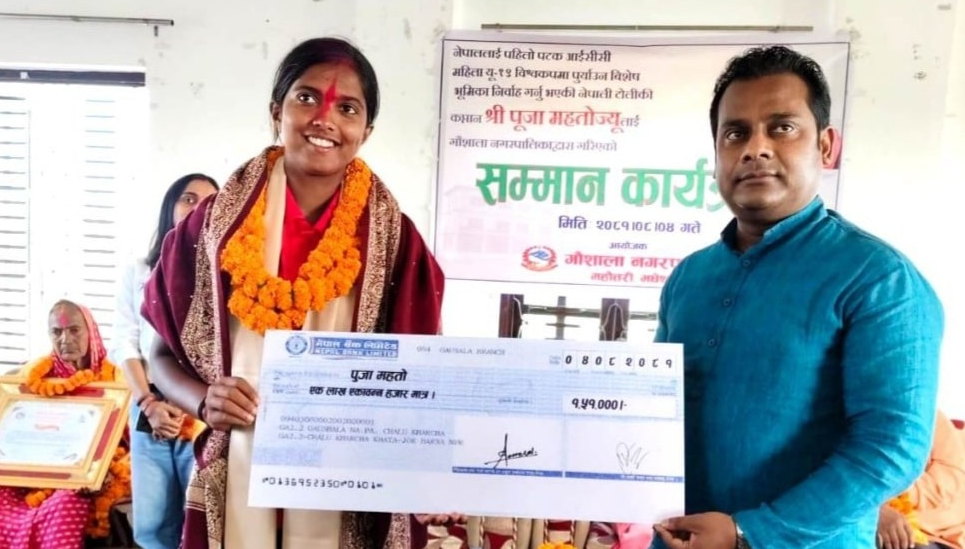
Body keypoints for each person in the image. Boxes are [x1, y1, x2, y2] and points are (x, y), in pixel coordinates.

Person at [141, 37, 451, 549]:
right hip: (236, 478)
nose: (324, 119)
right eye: (306, 98)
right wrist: (204, 401)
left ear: (366, 131)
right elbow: (159, 357)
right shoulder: (211, 229)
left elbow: (425, 374)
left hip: (348, 490)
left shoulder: (395, 240)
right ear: (275, 112)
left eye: (347, 108)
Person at [650, 45, 943, 549]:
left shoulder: (879, 278)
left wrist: (748, 533)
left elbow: (891, 447)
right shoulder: (689, 277)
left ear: (826, 147)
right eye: (735, 133)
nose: (754, 149)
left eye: (782, 127)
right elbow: (651, 409)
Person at [111, 173, 218, 549]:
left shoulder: (226, 274)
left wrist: (190, 403)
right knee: (153, 524)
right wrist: (148, 402)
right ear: (169, 207)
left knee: (198, 519)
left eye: (210, 200)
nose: (198, 207)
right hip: (149, 404)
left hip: (201, 407)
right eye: (188, 199)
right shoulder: (139, 271)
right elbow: (125, 341)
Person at [0, 300, 131, 549]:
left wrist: (99, 471)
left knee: (67, 502)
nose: (65, 339)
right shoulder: (32, 376)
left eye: (74, 330)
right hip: (28, 472)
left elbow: (132, 436)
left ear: (90, 331)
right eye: (57, 332)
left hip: (84, 476)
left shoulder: (116, 377)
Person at [878, 410, 965, 549]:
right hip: (865, 518)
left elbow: (941, 489)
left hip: (937, 536)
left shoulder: (930, 416)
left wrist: (877, 498)